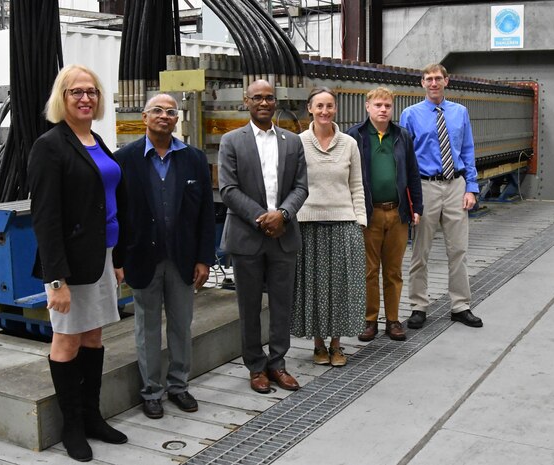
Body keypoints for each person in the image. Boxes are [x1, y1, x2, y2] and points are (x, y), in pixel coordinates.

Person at [28, 64, 128, 462]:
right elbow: (45, 218)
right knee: (67, 340)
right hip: (70, 265)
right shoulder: (50, 146)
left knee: (94, 337)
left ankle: (91, 417)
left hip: (101, 257)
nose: (85, 98)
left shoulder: (96, 140)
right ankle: (72, 425)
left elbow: (109, 201)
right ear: (62, 98)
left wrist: (117, 258)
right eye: (76, 92)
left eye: (91, 91)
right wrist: (56, 281)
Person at [115, 94, 215, 419]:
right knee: (146, 326)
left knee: (181, 325)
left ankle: (179, 386)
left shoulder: (194, 159)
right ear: (144, 117)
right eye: (157, 110)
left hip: (182, 259)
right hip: (142, 258)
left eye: (170, 112)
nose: (164, 116)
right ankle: (151, 392)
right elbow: (118, 213)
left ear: (177, 120)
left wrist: (204, 258)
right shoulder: (124, 160)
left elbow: (204, 214)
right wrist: (119, 260)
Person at [218, 79, 309, 393]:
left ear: (276, 101)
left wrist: (282, 215)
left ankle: (278, 363)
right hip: (247, 237)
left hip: (283, 235)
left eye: (269, 98)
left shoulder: (292, 142)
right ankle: (256, 367)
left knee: (282, 305)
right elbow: (228, 189)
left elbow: (301, 187)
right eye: (257, 97)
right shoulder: (231, 141)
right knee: (250, 306)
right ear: (247, 101)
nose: (264, 103)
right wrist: (262, 218)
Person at [399, 63, 483, 329]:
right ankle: (418, 307)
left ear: (446, 81)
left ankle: (460, 306)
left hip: (456, 184)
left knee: (458, 249)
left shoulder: (460, 113)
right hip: (425, 187)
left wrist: (471, 187)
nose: (434, 83)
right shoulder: (410, 115)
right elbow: (405, 159)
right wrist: (410, 197)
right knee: (420, 250)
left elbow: (467, 151)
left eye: (438, 78)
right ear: (422, 83)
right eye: (429, 79)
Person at [291, 87, 367, 367]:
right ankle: (318, 345)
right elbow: (292, 185)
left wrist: (359, 220)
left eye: (330, 106)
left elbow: (357, 184)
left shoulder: (349, 144)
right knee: (314, 287)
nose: (325, 111)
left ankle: (337, 345)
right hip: (307, 224)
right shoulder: (297, 143)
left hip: (343, 223)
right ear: (309, 108)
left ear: (336, 109)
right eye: (319, 106)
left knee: (341, 287)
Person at [347, 86, 423, 342]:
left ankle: (393, 320)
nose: (383, 110)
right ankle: (369, 321)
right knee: (369, 271)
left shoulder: (402, 136)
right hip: (369, 214)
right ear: (367, 107)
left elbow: (413, 174)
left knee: (393, 271)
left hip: (397, 213)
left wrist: (417, 208)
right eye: (378, 105)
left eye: (387, 106)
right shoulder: (355, 136)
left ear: (393, 109)